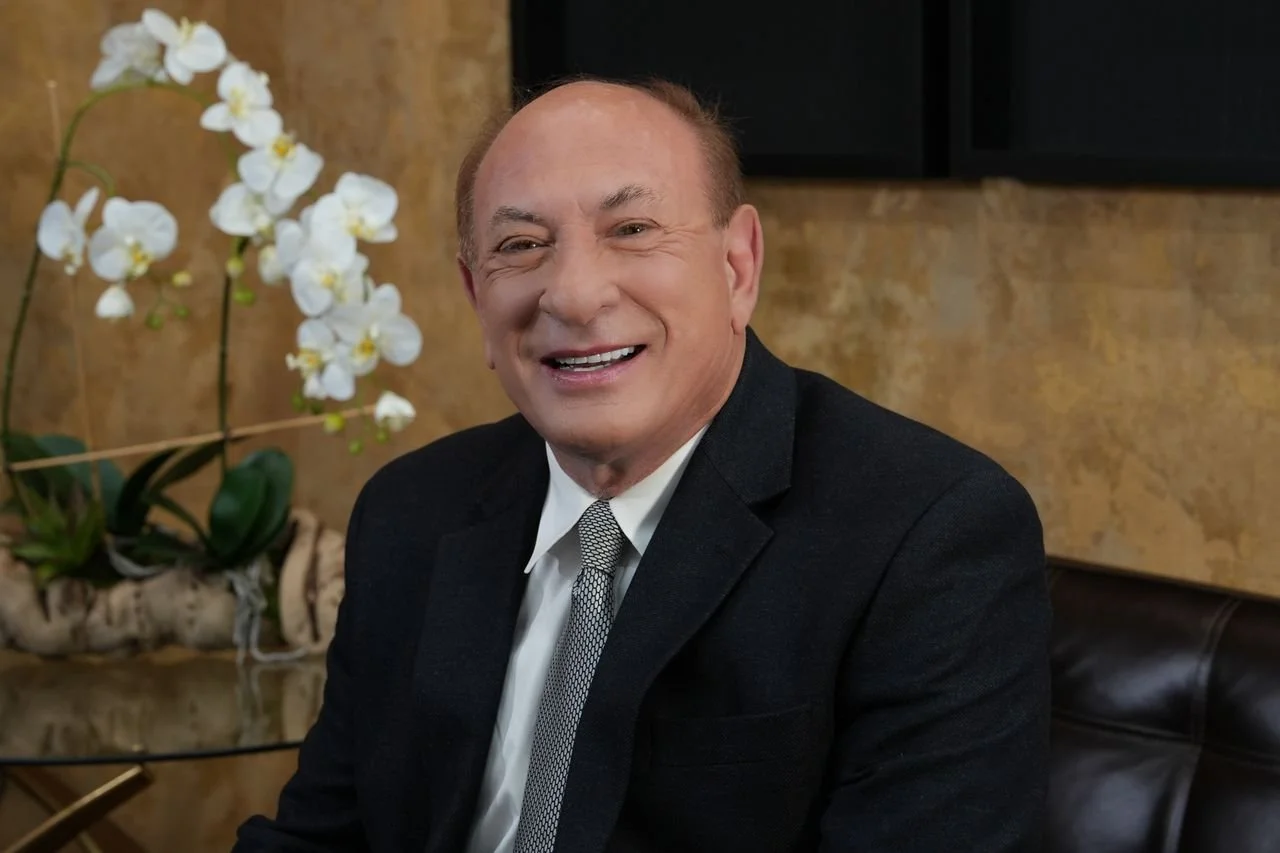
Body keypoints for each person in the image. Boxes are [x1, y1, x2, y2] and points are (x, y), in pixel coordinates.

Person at [234, 77, 1050, 853]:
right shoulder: (412, 510)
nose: (577, 295)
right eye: (522, 245)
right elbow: (320, 836)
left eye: (631, 230)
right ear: (476, 297)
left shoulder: (929, 535)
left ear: (738, 267)